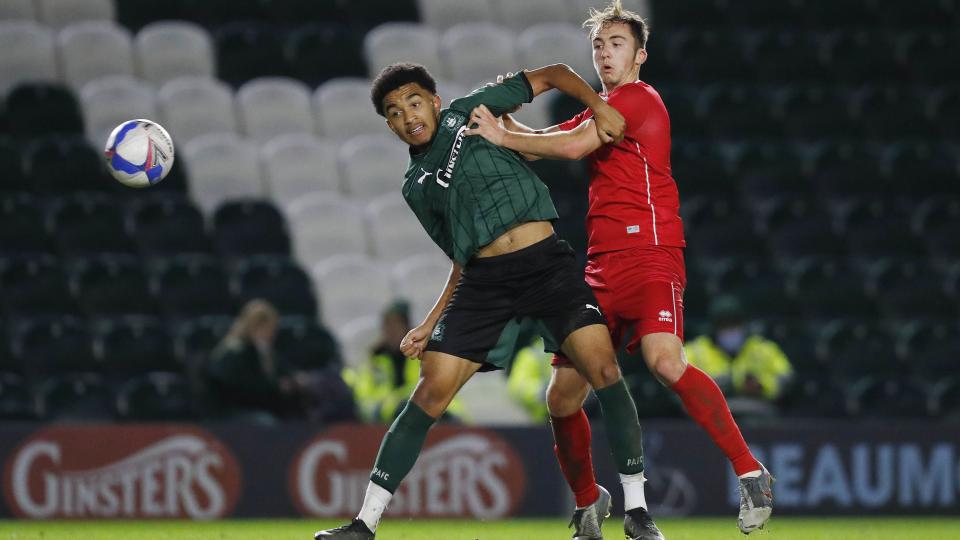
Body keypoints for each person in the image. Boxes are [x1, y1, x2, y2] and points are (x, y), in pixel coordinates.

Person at [463, 1, 774, 535]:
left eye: (617, 43)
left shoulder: (639, 99)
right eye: (599, 45)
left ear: (640, 55)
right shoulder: (601, 107)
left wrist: (503, 136)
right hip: (600, 268)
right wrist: (505, 118)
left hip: (651, 254)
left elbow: (574, 145)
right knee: (560, 397)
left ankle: (750, 472)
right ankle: (589, 500)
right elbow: (544, 147)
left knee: (664, 360)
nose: (605, 52)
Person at [314, 61, 660, 540]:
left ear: (434, 102)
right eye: (394, 112)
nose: (407, 115)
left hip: (547, 265)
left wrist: (598, 106)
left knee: (603, 372)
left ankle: (637, 511)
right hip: (485, 281)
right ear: (389, 124)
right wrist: (431, 322)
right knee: (430, 390)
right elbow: (459, 258)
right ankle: (364, 523)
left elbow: (554, 74)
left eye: (414, 102)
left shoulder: (466, 112)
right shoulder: (415, 188)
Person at [344, 299, 466, 423]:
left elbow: (435, 390)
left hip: (428, 415)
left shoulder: (425, 355)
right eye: (388, 325)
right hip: (386, 420)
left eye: (397, 325)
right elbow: (365, 396)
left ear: (407, 327)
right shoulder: (376, 360)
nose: (392, 331)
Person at [685, 296, 794, 416]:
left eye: (734, 323)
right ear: (713, 326)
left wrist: (762, 385)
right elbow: (684, 388)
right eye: (724, 324)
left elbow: (786, 378)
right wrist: (732, 383)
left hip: (758, 413)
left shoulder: (762, 348)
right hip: (711, 416)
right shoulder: (695, 350)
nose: (730, 329)